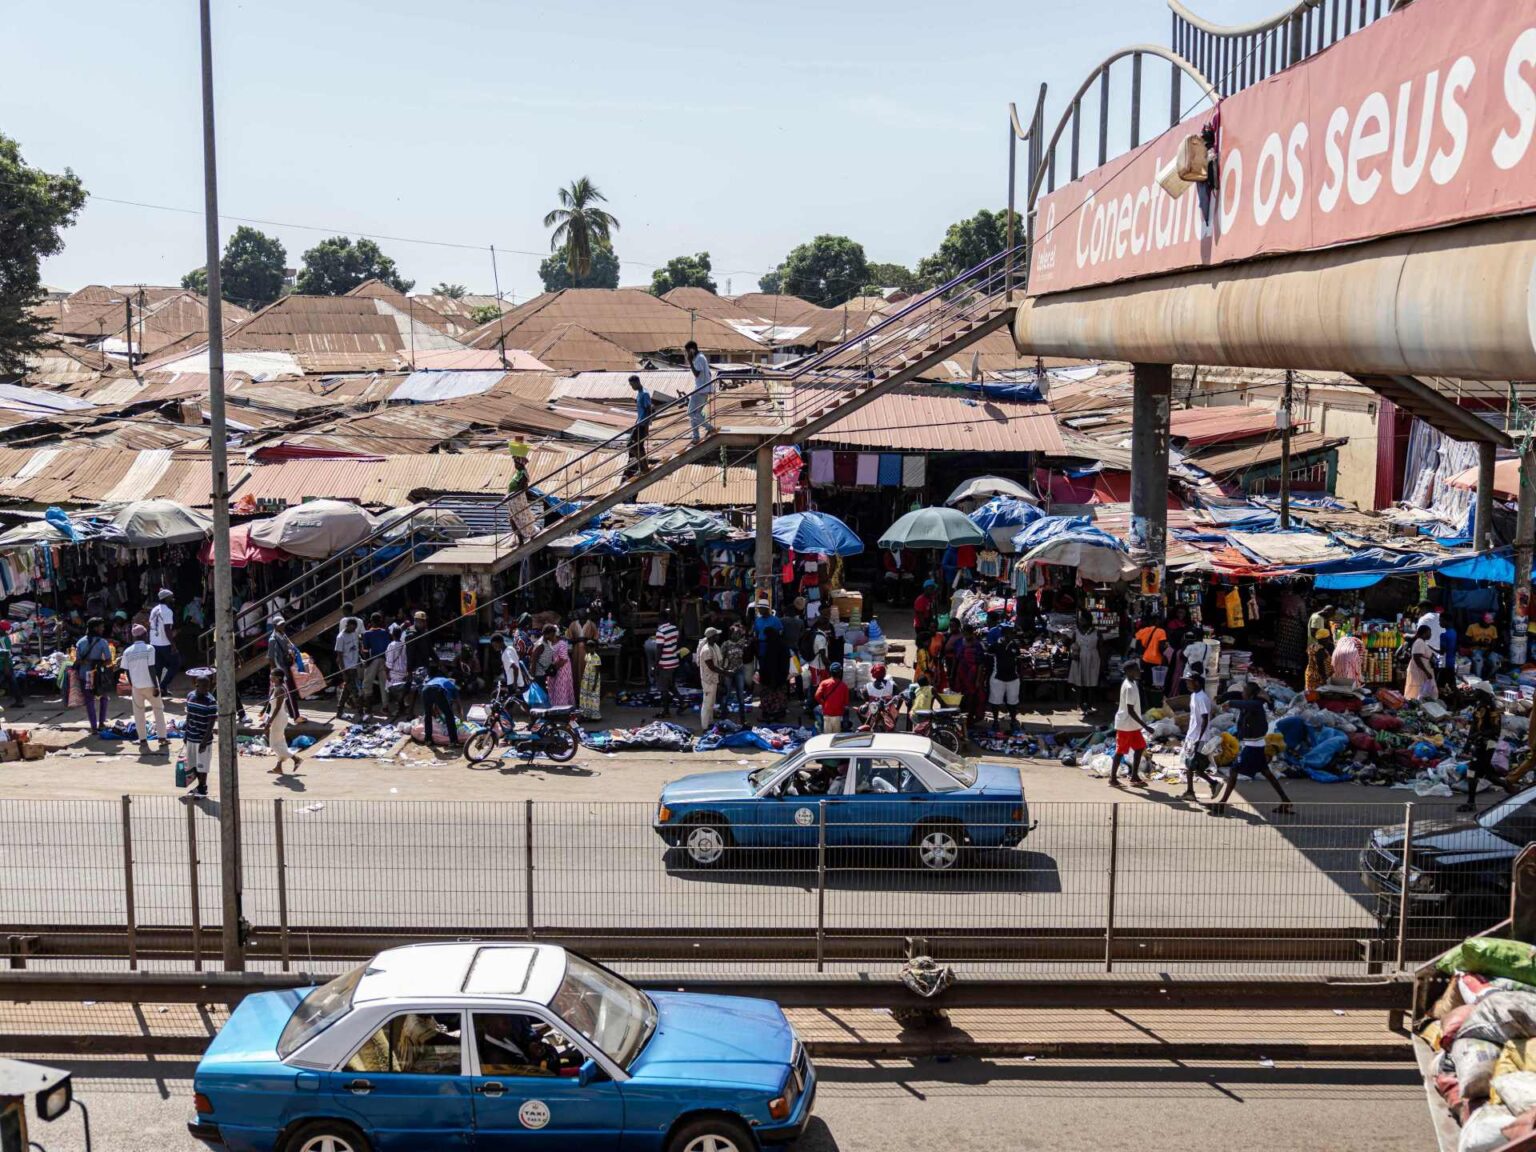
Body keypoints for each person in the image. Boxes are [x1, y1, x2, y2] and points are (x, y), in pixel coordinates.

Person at [1212, 681, 1294, 816]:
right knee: (1267, 773)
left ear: (1251, 695)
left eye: (1245, 691)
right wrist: (1224, 697)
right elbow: (1236, 694)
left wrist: (1230, 703)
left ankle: (1222, 803)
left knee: (1234, 770)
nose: (1242, 693)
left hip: (1253, 747)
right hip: (1256, 745)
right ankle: (1285, 801)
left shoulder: (1256, 705)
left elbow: (1245, 704)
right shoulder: (1249, 700)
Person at [120, 624, 169, 756]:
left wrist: (132, 685)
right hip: (150, 685)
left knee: (138, 714)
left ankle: (142, 740)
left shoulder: (127, 651)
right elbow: (151, 668)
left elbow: (127, 671)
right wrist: (156, 686)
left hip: (136, 687)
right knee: (158, 710)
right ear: (144, 635)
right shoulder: (149, 648)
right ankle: (162, 738)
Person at [1461, 685, 1506, 813]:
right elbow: (1474, 726)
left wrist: (1479, 735)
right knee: (1485, 773)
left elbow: (1496, 730)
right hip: (1480, 744)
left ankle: (1471, 803)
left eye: (1477, 690)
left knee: (1473, 771)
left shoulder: (1492, 708)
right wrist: (1467, 744)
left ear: (1483, 693)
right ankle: (1511, 788)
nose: (1475, 692)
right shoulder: (1479, 706)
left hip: (1488, 744)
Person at [1179, 672, 1222, 801]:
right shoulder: (1194, 696)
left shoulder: (1202, 698)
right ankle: (1211, 784)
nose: (1187, 684)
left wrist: (1199, 739)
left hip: (1199, 738)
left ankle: (1191, 791)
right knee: (1193, 766)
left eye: (1189, 681)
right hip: (1192, 736)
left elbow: (1204, 719)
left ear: (1197, 682)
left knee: (1191, 765)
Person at [1110, 660, 1152, 789]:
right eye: (1136, 669)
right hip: (1125, 725)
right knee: (1120, 751)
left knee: (1140, 748)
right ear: (1129, 671)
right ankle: (1112, 779)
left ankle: (1134, 776)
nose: (1139, 671)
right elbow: (1130, 710)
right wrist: (1145, 726)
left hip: (1132, 725)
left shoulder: (1133, 683)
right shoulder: (1128, 687)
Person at [181, 673, 218, 799]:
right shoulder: (190, 696)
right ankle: (200, 785)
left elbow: (211, 723)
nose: (206, 689)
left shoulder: (211, 701)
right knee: (193, 765)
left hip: (203, 740)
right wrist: (186, 734)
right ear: (197, 685)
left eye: (208, 686)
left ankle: (203, 788)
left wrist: (204, 741)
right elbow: (189, 716)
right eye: (204, 687)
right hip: (191, 737)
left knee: (203, 766)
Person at [74, 617, 114, 732]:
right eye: (101, 626)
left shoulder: (80, 642)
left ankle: (93, 727)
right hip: (98, 676)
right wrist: (99, 662)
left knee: (89, 700)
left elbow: (78, 660)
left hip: (84, 675)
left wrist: (87, 661)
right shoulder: (102, 642)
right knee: (104, 697)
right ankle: (101, 723)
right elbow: (109, 661)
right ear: (96, 628)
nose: (103, 629)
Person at [985, 624, 1022, 731]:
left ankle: (1013, 720)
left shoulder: (1015, 646)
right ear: (1004, 634)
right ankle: (995, 721)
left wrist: (1019, 675)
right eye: (1009, 634)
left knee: (1013, 701)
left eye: (1012, 634)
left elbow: (1018, 662)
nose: (1011, 636)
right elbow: (988, 661)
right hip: (997, 678)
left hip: (1013, 678)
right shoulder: (994, 646)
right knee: (995, 701)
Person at [267, 615, 301, 722]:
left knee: (282, 693)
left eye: (283, 624)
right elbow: (270, 657)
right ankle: (295, 716)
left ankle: (267, 715)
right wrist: (275, 673)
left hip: (286, 667)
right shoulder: (273, 640)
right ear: (275, 626)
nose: (282, 626)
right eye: (280, 625)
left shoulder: (283, 635)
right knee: (290, 693)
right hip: (280, 670)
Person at [1132, 614, 1170, 705]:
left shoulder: (1144, 630)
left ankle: (1148, 703)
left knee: (1147, 682)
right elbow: (1161, 647)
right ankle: (1156, 702)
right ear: (1157, 621)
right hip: (1157, 661)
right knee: (1157, 684)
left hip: (1145, 659)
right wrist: (1167, 652)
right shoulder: (1161, 631)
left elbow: (1135, 638)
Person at [420, 669, 464, 747]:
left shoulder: (441, 680)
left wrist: (437, 711)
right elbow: (458, 703)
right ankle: (453, 741)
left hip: (425, 690)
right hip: (437, 690)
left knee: (428, 715)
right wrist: (461, 714)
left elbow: (435, 703)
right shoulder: (453, 685)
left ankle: (428, 740)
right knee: (449, 715)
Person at [359, 613, 391, 715]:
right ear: (380, 621)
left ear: (371, 621)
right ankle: (385, 708)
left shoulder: (367, 634)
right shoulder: (385, 632)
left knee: (367, 684)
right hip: (384, 660)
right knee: (384, 685)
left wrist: (366, 662)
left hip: (373, 660)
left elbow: (365, 650)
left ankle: (368, 709)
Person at [757, 624, 790, 723]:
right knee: (779, 697)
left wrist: (772, 679)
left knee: (768, 696)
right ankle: (779, 716)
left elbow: (771, 664)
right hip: (781, 676)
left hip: (771, 677)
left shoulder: (772, 646)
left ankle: (767, 716)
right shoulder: (782, 644)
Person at [652, 610, 682, 718]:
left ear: (659, 619)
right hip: (674, 661)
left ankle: (666, 711)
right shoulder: (674, 629)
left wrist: (655, 665)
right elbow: (677, 643)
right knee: (671, 685)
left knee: (664, 688)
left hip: (665, 663)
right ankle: (682, 702)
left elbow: (659, 650)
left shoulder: (660, 632)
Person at [684, 339, 714, 442]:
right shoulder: (702, 357)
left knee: (691, 413)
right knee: (695, 414)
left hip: (701, 389)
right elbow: (709, 373)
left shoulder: (699, 358)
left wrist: (690, 362)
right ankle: (696, 437)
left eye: (687, 351)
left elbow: (697, 373)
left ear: (692, 350)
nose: (687, 354)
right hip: (703, 389)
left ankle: (709, 427)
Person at [334, 616, 363, 720]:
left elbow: (356, 648)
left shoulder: (354, 634)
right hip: (347, 668)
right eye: (353, 628)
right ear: (347, 625)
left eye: (355, 628)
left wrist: (360, 659)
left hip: (354, 666)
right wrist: (343, 673)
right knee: (355, 692)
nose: (354, 630)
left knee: (346, 691)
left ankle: (339, 712)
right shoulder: (340, 637)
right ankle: (361, 713)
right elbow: (339, 657)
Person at [149, 589, 178, 692]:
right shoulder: (167, 611)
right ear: (166, 599)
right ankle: (163, 686)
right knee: (175, 664)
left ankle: (159, 689)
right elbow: (167, 629)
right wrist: (173, 645)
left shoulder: (154, 609)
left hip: (154, 643)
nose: (173, 599)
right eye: (171, 597)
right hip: (164, 643)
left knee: (158, 667)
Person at [720, 622, 750, 723]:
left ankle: (743, 719)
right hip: (728, 672)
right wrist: (722, 673)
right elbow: (721, 660)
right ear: (731, 634)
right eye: (736, 633)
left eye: (739, 633)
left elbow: (746, 635)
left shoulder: (742, 643)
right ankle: (723, 717)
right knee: (726, 695)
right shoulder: (726, 644)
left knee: (741, 695)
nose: (738, 635)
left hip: (739, 671)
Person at [696, 627, 724, 729]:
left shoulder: (713, 647)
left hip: (712, 679)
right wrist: (726, 673)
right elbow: (712, 667)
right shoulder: (706, 650)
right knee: (707, 704)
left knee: (711, 703)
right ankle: (705, 727)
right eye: (716, 635)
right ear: (712, 637)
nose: (718, 636)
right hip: (708, 680)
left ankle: (710, 722)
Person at [566, 610, 598, 699]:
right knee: (576, 672)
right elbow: (569, 639)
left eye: (584, 618)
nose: (582, 620)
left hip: (588, 652)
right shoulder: (573, 625)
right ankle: (577, 695)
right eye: (580, 618)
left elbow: (596, 639)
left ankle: (588, 695)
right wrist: (578, 640)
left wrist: (587, 640)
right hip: (576, 653)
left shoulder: (591, 625)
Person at [1404, 623, 1439, 701]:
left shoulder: (1422, 642)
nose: (1430, 634)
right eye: (1429, 632)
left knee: (1423, 691)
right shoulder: (1419, 642)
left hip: (1422, 670)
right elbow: (1417, 658)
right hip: (1419, 671)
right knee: (1418, 691)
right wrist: (1426, 672)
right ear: (1424, 633)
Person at [626, 374, 652, 476]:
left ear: (637, 382)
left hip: (642, 425)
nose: (632, 387)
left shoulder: (644, 394)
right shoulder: (639, 393)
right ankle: (643, 468)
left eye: (632, 385)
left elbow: (649, 410)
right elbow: (640, 411)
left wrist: (646, 427)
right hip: (639, 423)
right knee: (636, 446)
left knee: (634, 446)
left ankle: (644, 468)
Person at [385, 624, 411, 719]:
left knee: (395, 691)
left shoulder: (391, 645)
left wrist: (387, 673)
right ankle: (402, 708)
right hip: (403, 671)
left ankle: (400, 709)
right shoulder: (404, 645)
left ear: (392, 634)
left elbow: (389, 661)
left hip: (394, 672)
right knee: (401, 691)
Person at [815, 662, 850, 734]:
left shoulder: (824, 683)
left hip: (827, 712)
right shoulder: (844, 686)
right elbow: (846, 703)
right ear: (840, 673)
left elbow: (817, 696)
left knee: (827, 735)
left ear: (830, 672)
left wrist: (824, 704)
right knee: (836, 735)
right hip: (838, 714)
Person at [1467, 613, 1502, 680]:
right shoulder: (1472, 627)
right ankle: (1478, 678)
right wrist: (1478, 643)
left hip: (1488, 650)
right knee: (1479, 661)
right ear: (1482, 621)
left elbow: (1494, 642)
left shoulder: (1493, 628)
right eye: (1486, 623)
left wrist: (1489, 651)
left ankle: (1488, 677)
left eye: (1489, 623)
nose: (1488, 625)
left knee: (1497, 663)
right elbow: (1466, 641)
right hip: (1476, 649)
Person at [0, 621, 22, 708]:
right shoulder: (5, 638)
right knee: (13, 683)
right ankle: (19, 701)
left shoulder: (3, 639)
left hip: (3, 665)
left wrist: (6, 667)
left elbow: (5, 653)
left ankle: (19, 701)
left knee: (12, 683)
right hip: (7, 664)